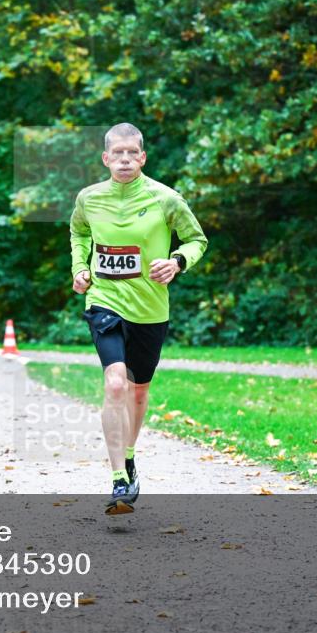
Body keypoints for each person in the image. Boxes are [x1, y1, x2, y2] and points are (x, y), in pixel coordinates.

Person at [69, 123, 208, 515]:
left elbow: (197, 240)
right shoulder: (90, 198)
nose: (126, 159)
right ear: (106, 158)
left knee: (139, 390)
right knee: (116, 383)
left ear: (143, 157)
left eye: (133, 153)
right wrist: (80, 267)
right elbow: (78, 232)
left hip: (150, 309)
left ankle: (129, 456)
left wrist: (178, 262)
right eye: (118, 153)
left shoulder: (166, 199)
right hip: (104, 300)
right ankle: (117, 479)